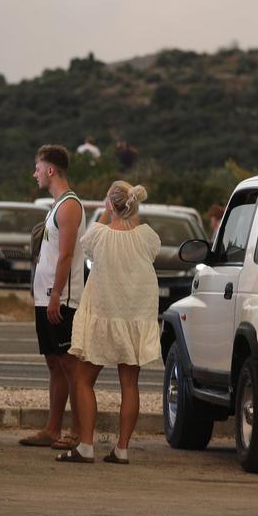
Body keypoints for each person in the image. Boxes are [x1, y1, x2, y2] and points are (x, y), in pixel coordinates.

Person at [58, 180, 160, 464]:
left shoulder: (99, 235)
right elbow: (147, 248)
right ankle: (122, 448)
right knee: (130, 383)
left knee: (83, 379)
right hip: (135, 315)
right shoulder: (147, 236)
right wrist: (129, 214)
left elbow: (88, 243)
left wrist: (106, 214)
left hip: (104, 315)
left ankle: (86, 445)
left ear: (110, 205)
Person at [18, 145, 87, 450]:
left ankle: (78, 432)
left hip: (61, 298)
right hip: (46, 297)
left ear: (50, 170)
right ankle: (53, 429)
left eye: (37, 167)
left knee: (70, 365)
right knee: (54, 363)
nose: (34, 173)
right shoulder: (57, 205)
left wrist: (57, 293)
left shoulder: (70, 205)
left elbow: (67, 254)